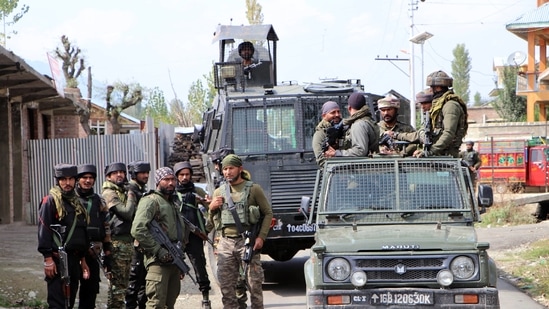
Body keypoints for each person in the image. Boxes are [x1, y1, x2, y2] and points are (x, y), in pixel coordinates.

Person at [207, 154, 273, 309]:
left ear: (240, 169)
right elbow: (211, 223)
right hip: (226, 243)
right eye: (225, 169)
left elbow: (268, 213)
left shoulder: (253, 189)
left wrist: (261, 237)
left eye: (231, 168)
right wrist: (211, 209)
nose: (228, 172)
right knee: (227, 287)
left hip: (247, 242)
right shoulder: (219, 192)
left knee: (254, 285)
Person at [131, 167, 187, 308]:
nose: (170, 183)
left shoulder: (172, 203)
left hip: (173, 261)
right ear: (158, 181)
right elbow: (138, 229)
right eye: (166, 180)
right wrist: (158, 250)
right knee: (156, 304)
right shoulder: (151, 200)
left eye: (173, 179)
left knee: (170, 304)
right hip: (158, 263)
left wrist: (179, 260)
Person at [38, 164, 90, 309]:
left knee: (70, 300)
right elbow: (44, 229)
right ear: (57, 181)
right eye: (63, 179)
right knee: (58, 303)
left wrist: (83, 260)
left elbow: (81, 232)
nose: (67, 183)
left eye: (70, 179)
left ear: (75, 180)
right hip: (57, 259)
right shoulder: (50, 201)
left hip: (74, 259)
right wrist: (48, 258)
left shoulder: (76, 202)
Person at [390, 71, 468, 158]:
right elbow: (420, 135)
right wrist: (396, 135)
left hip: (447, 157)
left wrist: (431, 151)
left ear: (438, 87)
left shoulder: (450, 106)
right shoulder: (438, 107)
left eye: (432, 87)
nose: (430, 90)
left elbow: (449, 133)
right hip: (436, 156)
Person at [174, 161, 212, 309]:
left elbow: (212, 210)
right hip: (176, 237)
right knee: (174, 269)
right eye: (181, 175)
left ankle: (206, 298)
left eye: (187, 174)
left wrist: (206, 230)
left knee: (200, 267)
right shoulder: (172, 193)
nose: (184, 177)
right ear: (177, 176)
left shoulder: (197, 191)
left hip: (194, 237)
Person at [74, 164, 111, 309]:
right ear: (78, 179)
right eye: (84, 177)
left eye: (91, 178)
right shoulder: (71, 199)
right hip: (75, 252)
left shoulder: (99, 200)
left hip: (93, 253)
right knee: (69, 289)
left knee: (91, 289)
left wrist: (107, 250)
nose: (88, 181)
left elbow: (106, 225)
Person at [101, 161, 133, 309]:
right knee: (117, 287)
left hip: (126, 243)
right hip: (116, 244)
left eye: (122, 172)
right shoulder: (109, 193)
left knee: (123, 285)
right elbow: (126, 213)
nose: (120, 174)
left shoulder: (121, 191)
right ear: (108, 177)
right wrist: (132, 194)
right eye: (115, 173)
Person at [126, 161, 151, 309]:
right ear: (134, 174)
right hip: (131, 241)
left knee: (143, 281)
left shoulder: (142, 190)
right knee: (133, 281)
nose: (146, 175)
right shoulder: (130, 191)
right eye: (142, 173)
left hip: (142, 242)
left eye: (147, 172)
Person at [324, 92, 379, 158]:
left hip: (363, 166)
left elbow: (360, 151)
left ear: (349, 108)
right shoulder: (369, 120)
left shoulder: (358, 125)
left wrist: (337, 153)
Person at [312, 100, 342, 167]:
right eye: (333, 112)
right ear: (324, 116)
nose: (337, 115)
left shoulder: (344, 129)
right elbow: (321, 160)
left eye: (338, 112)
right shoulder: (320, 133)